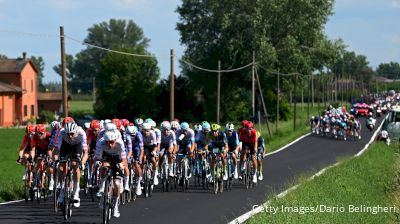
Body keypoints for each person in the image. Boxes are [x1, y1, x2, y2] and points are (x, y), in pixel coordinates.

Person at [95, 130, 126, 218]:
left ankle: (115, 206)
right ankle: (102, 189)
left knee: (116, 184)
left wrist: (121, 164)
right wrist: (98, 163)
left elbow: (123, 159)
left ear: (115, 140)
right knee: (104, 167)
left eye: (112, 142)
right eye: (107, 142)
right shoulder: (101, 143)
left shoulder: (120, 143)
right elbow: (97, 157)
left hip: (117, 158)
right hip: (106, 156)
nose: (109, 144)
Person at [56, 122, 88, 208]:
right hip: (65, 146)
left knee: (75, 164)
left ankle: (76, 192)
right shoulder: (62, 132)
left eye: (72, 134)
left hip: (77, 146)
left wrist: (82, 162)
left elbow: (85, 152)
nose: (70, 136)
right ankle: (61, 191)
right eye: (68, 134)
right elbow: (58, 147)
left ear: (76, 131)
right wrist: (56, 159)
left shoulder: (81, 133)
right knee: (61, 167)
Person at [31, 124, 54, 191]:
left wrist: (51, 157)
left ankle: (51, 180)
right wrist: (31, 158)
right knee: (38, 162)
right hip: (40, 149)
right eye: (37, 133)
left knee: (49, 165)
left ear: (45, 132)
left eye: (41, 133)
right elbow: (32, 149)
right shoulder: (34, 137)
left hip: (49, 149)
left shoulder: (49, 136)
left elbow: (53, 148)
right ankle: (35, 178)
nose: (39, 135)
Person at [126, 125, 144, 195]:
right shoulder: (125, 135)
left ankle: (138, 183)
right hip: (128, 147)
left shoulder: (139, 135)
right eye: (130, 135)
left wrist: (140, 158)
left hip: (136, 147)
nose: (131, 137)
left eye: (133, 135)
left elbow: (142, 149)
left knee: (137, 164)